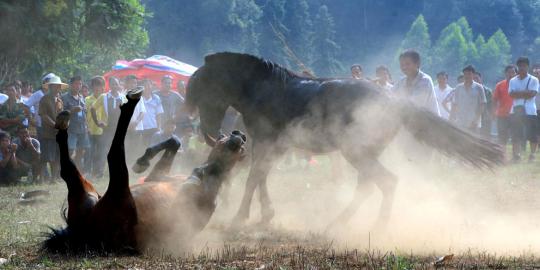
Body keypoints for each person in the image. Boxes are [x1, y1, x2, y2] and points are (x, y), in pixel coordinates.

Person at [392, 49, 440, 116]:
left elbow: (415, 105)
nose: (404, 67)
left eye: (407, 64)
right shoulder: (401, 82)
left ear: (417, 64)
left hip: (429, 123)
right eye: (402, 64)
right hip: (410, 121)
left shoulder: (425, 81)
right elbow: (390, 95)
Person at [509, 57, 539, 162]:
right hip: (516, 111)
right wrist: (525, 92)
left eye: (524, 66)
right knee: (516, 134)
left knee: (532, 134)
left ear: (527, 67)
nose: (522, 68)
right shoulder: (513, 80)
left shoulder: (534, 80)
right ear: (518, 67)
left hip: (530, 111)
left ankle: (532, 154)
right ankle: (517, 155)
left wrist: (518, 93)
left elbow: (532, 94)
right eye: (520, 66)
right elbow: (511, 94)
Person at [39, 75, 67, 182]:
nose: (57, 88)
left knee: (56, 157)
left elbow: (62, 115)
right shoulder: (44, 99)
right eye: (55, 86)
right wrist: (55, 125)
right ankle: (41, 178)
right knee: (45, 157)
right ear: (50, 87)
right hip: (47, 133)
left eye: (58, 86)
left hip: (58, 134)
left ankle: (53, 178)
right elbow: (43, 115)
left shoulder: (60, 100)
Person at [61, 76, 89, 168]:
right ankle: (66, 168)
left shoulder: (81, 97)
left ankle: (76, 169)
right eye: (76, 83)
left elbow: (84, 113)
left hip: (82, 128)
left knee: (81, 150)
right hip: (70, 128)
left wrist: (86, 126)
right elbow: (61, 114)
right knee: (70, 150)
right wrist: (72, 110)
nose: (78, 86)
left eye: (80, 84)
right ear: (71, 85)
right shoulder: (64, 97)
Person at [449, 65, 486, 132]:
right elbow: (454, 104)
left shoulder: (479, 88)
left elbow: (482, 105)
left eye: (469, 74)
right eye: (465, 74)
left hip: (474, 122)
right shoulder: (458, 88)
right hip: (460, 121)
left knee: (474, 141)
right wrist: (451, 118)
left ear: (473, 75)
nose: (467, 76)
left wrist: (476, 119)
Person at [86, 76, 106, 178]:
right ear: (92, 87)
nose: (97, 88)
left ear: (103, 87)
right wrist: (86, 126)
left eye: (99, 86)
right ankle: (89, 172)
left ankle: (99, 172)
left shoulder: (106, 99)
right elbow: (84, 115)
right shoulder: (87, 99)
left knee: (101, 152)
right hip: (90, 130)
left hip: (102, 130)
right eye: (95, 86)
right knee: (90, 152)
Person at [493, 65, 517, 147]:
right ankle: (502, 154)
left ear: (516, 74)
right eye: (508, 72)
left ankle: (516, 154)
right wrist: (493, 112)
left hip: (515, 114)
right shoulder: (499, 85)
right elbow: (495, 100)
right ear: (505, 73)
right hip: (502, 114)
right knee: (502, 136)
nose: (510, 74)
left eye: (513, 72)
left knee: (515, 136)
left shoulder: (519, 84)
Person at [140, 79, 163, 146]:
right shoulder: (138, 98)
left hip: (154, 128)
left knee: (153, 149)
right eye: (145, 85)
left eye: (149, 85)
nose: (147, 87)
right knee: (142, 148)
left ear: (152, 86)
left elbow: (159, 114)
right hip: (141, 128)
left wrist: (159, 127)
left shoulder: (156, 98)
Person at [474, 72, 493, 137]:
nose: (475, 80)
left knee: (486, 136)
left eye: (476, 78)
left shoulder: (487, 91)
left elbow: (491, 105)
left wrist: (491, 115)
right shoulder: (470, 90)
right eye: (473, 79)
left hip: (485, 117)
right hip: (474, 116)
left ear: (480, 79)